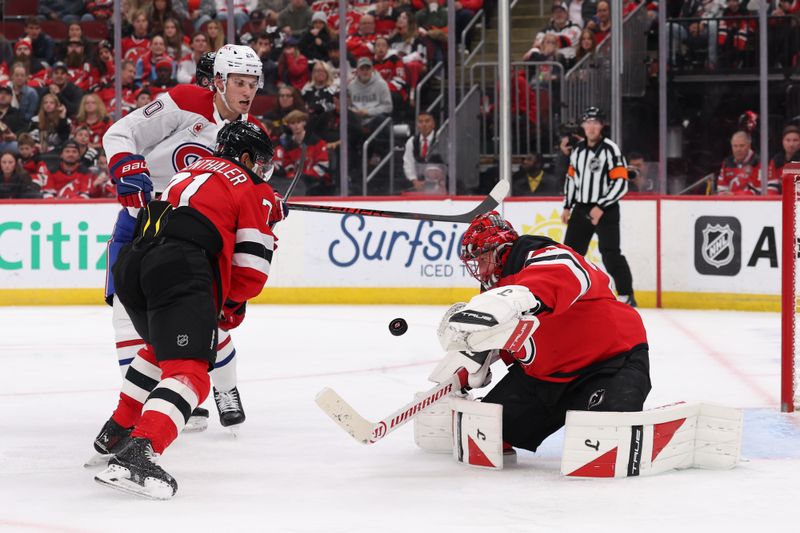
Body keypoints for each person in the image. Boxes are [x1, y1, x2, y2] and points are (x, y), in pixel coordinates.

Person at [92, 120, 285, 501]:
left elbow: (212, 205)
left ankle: (117, 429)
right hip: (179, 267)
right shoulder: (255, 187)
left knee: (160, 349)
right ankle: (140, 452)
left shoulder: (190, 170)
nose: (262, 172)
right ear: (246, 158)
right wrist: (227, 309)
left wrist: (265, 207)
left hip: (135, 262)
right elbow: (250, 272)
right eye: (260, 164)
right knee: (192, 371)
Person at [102, 44, 266, 431]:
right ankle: (149, 405)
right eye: (239, 82)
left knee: (207, 319)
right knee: (130, 320)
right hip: (145, 220)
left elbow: (253, 191)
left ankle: (224, 389)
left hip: (200, 234)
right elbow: (120, 133)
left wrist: (268, 205)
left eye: (253, 83)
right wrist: (127, 168)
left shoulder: (250, 133)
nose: (247, 91)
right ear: (221, 81)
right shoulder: (185, 101)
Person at [435, 211, 650, 457]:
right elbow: (507, 338)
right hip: (546, 377)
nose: (479, 270)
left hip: (608, 363)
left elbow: (559, 275)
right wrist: (467, 367)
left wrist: (522, 298)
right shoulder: (497, 290)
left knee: (605, 438)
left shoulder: (542, 255)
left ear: (500, 251)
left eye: (481, 259)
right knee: (485, 433)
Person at [561, 106, 636, 306]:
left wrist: (601, 206)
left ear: (602, 126)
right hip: (582, 207)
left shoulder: (611, 149)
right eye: (588, 122)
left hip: (607, 209)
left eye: (596, 123)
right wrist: (567, 206)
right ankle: (569, 294)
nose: (592, 127)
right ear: (583, 126)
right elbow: (571, 180)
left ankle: (627, 294)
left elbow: (621, 184)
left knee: (610, 253)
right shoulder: (577, 150)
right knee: (571, 254)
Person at [273, 110, 332, 196]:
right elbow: (288, 165)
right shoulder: (289, 145)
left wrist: (305, 176)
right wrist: (293, 175)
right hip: (297, 184)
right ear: (289, 125)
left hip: (316, 184)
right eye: (293, 123)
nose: (296, 126)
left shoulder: (317, 142)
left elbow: (322, 166)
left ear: (304, 123)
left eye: (299, 122)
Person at [402, 111, 442, 189]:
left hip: (440, 182)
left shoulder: (440, 139)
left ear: (433, 124)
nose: (424, 124)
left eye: (427, 121)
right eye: (420, 122)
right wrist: (414, 181)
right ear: (417, 125)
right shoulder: (412, 141)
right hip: (419, 182)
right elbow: (408, 163)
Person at [716, 130, 761, 195]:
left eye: (741, 146)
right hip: (729, 203)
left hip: (751, 203)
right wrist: (724, 195)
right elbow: (721, 188)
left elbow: (758, 191)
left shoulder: (758, 162)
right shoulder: (727, 163)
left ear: (749, 146)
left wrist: (735, 195)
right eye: (735, 146)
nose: (738, 149)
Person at [767, 125, 800, 195]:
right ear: (782, 141)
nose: (791, 144)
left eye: (795, 140)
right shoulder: (776, 161)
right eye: (788, 140)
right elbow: (772, 188)